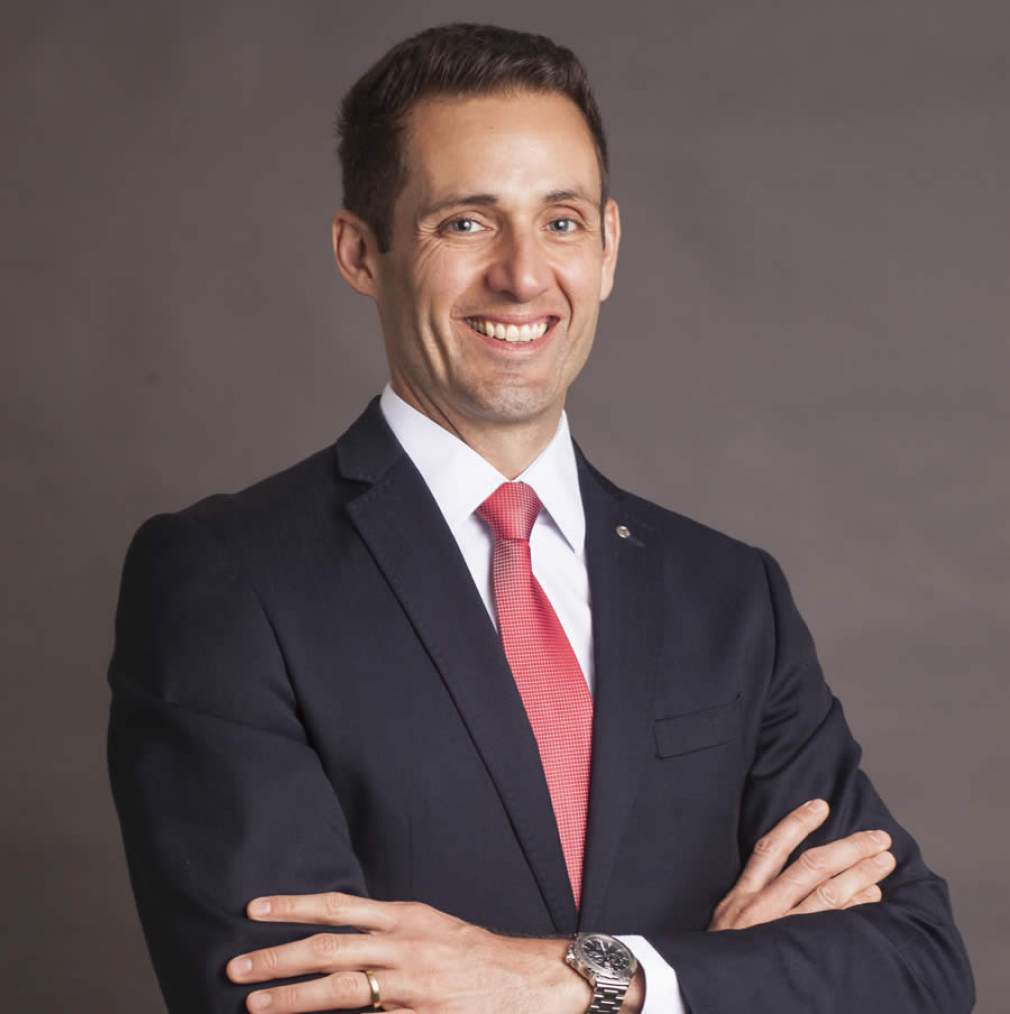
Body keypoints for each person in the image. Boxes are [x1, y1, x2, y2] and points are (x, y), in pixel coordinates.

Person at [106, 22, 974, 1014]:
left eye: (560, 221)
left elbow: (916, 970)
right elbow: (286, 1000)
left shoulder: (731, 596)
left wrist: (589, 979)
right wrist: (718, 976)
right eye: (464, 223)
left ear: (607, 246)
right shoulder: (227, 580)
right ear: (360, 252)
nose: (523, 275)